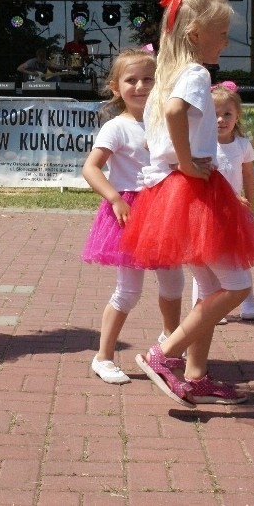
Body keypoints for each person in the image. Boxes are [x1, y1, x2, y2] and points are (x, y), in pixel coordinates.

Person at [119, 0, 254, 408]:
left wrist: (178, 162)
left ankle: (197, 375)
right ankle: (164, 354)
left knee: (209, 285)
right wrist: (186, 162)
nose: (226, 42)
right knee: (236, 286)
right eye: (221, 34)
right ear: (195, 33)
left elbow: (162, 124)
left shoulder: (166, 76)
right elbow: (173, 114)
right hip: (194, 188)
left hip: (172, 189)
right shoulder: (195, 74)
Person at [81, 48, 185, 385]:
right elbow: (90, 168)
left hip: (165, 210)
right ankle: (103, 356)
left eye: (148, 79)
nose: (140, 86)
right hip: (130, 213)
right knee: (128, 291)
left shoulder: (167, 121)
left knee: (174, 283)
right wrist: (114, 199)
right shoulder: (117, 127)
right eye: (131, 80)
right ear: (115, 87)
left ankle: (169, 346)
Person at [190, 81, 254, 322]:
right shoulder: (202, 146)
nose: (221, 120)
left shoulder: (242, 145)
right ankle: (205, 305)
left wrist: (250, 203)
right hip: (209, 211)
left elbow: (248, 175)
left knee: (239, 257)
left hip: (235, 212)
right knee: (204, 259)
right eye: (215, 114)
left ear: (237, 116)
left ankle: (247, 301)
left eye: (227, 114)